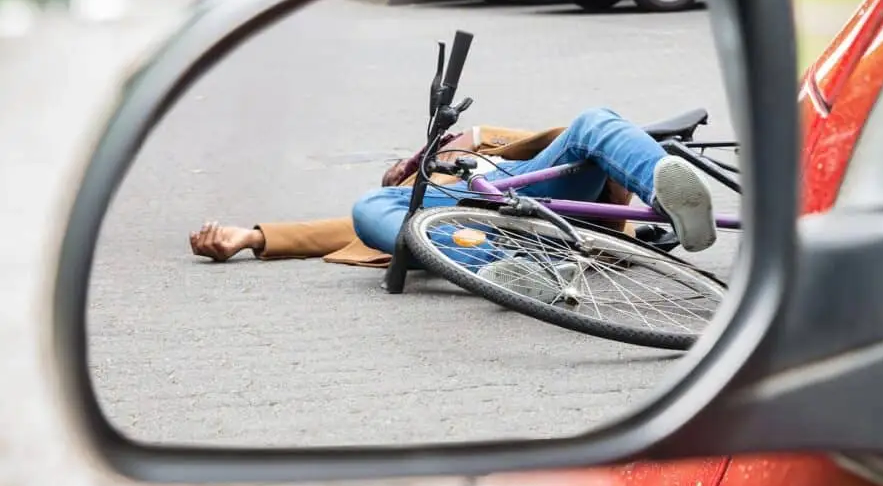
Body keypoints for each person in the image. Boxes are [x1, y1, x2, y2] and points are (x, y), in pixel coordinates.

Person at [189, 108, 717, 292]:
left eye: (438, 145)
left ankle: (675, 196)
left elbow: (573, 141)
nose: (427, 155)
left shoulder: (498, 143)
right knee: (365, 209)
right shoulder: (411, 199)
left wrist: (471, 140)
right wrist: (252, 238)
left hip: (538, 188)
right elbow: (339, 229)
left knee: (596, 119)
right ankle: (504, 268)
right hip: (466, 226)